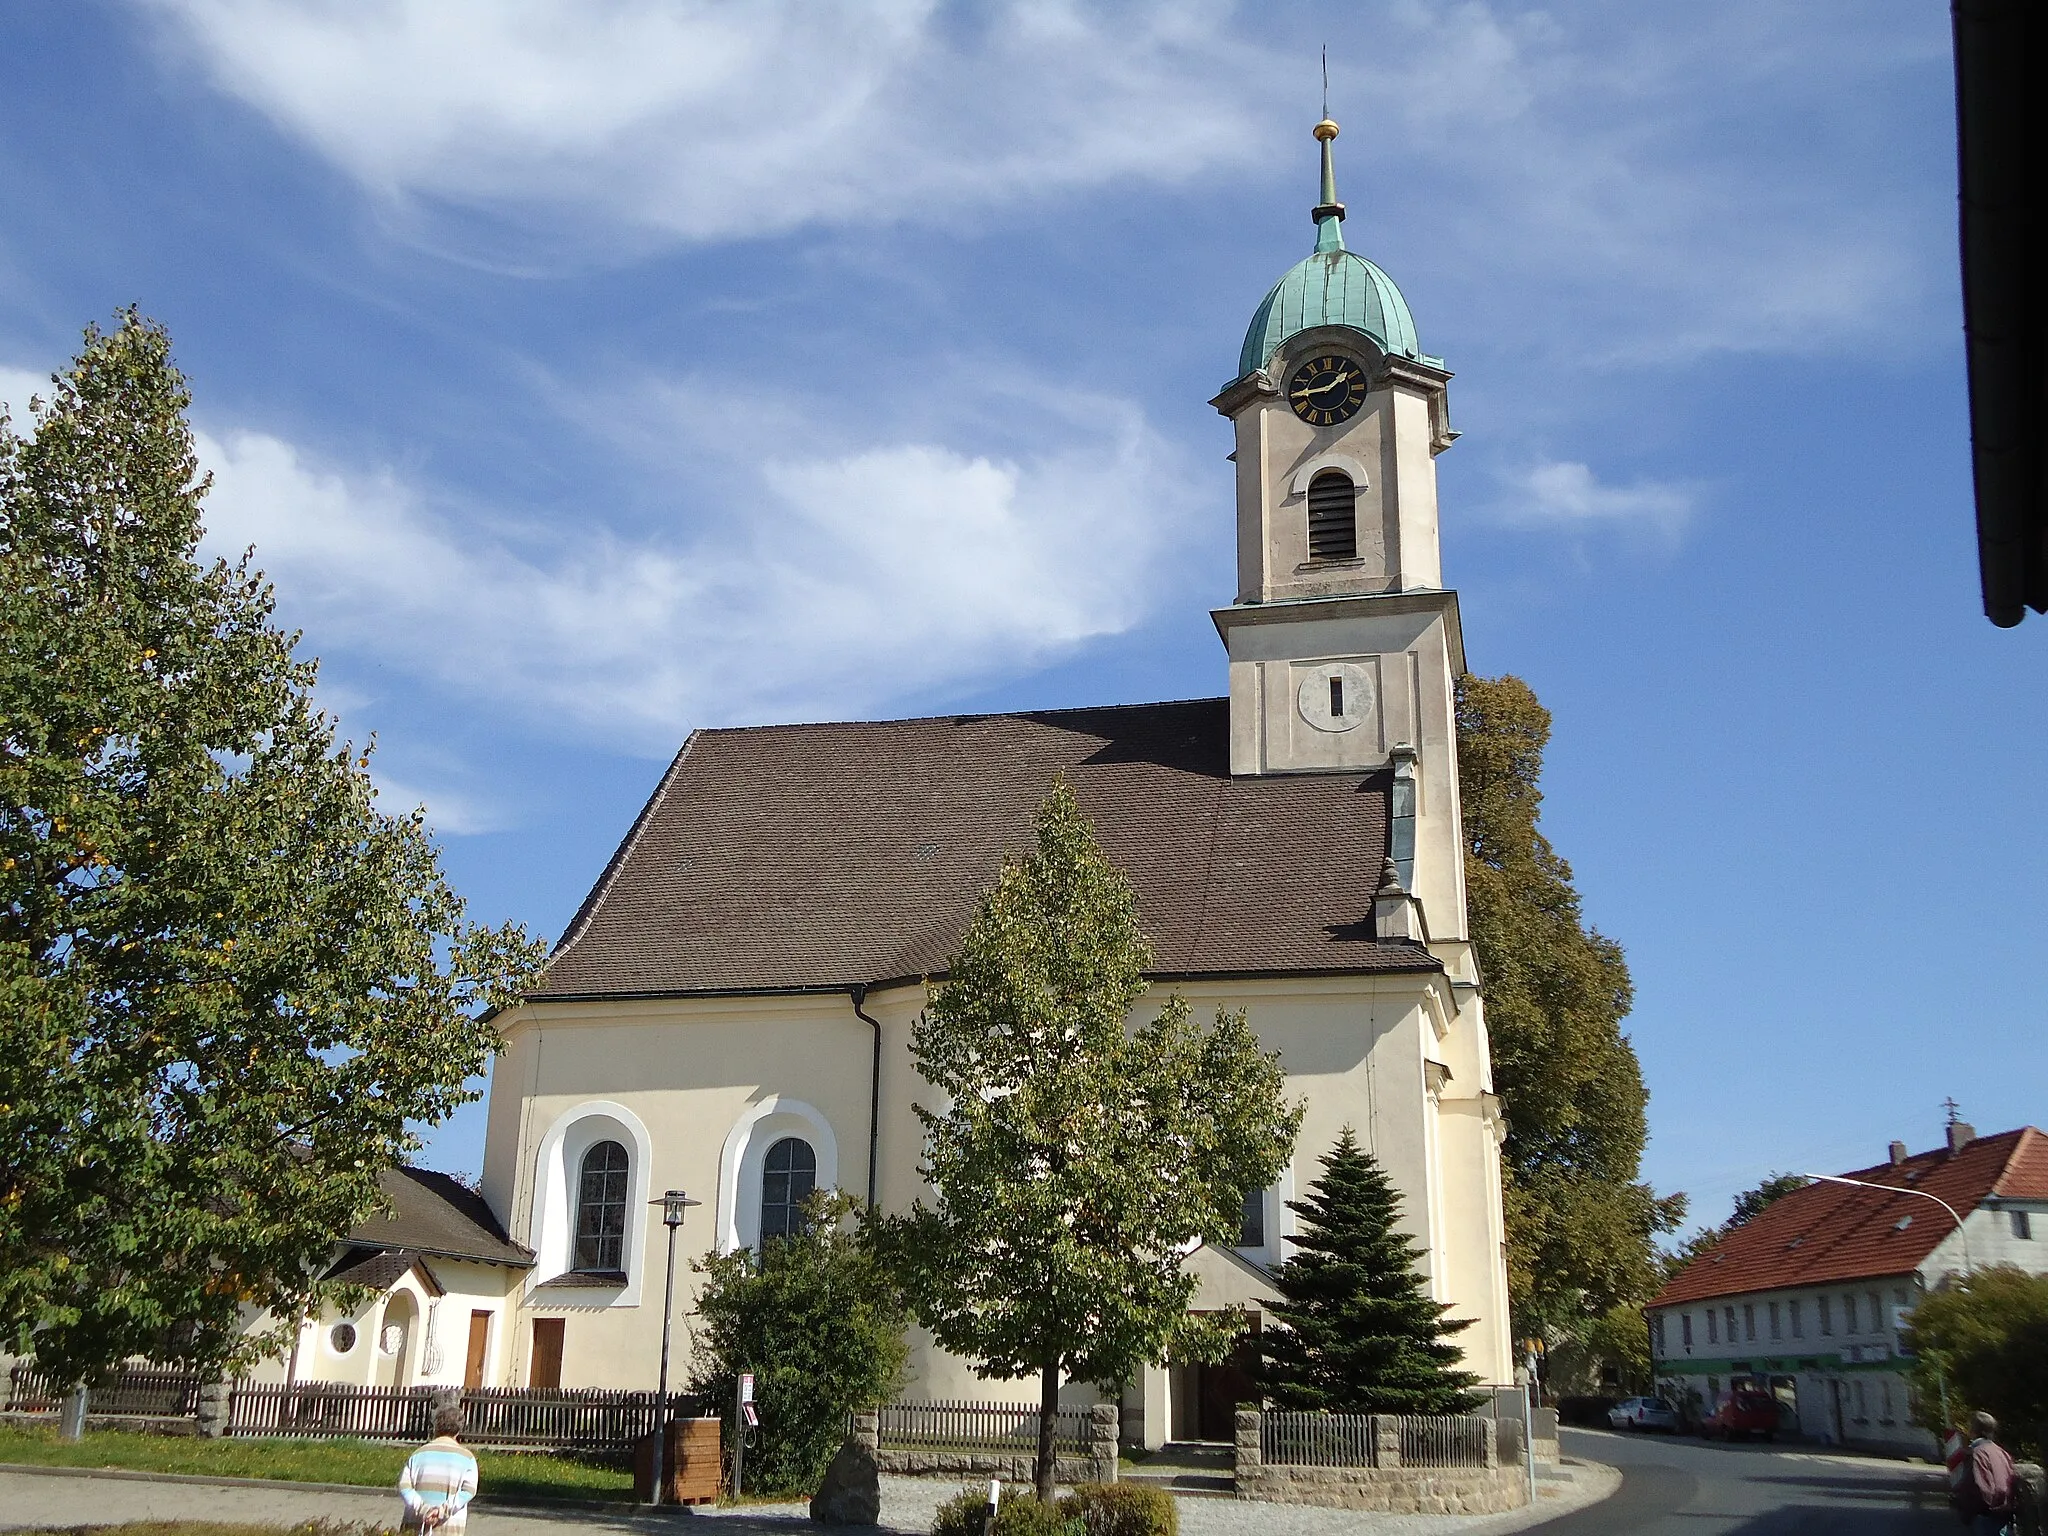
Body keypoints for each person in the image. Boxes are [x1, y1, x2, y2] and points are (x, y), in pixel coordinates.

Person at [399, 1403, 480, 1533]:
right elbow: (468, 1491)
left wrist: (424, 1509)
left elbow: (405, 1487)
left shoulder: (418, 1454)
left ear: (435, 1426)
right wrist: (441, 1511)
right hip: (450, 1526)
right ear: (459, 1429)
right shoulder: (467, 1458)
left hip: (415, 1524)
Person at [1951, 1411, 2016, 1536]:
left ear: (1973, 1430)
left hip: (1985, 1514)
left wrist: (1966, 1513)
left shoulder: (1976, 1453)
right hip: (2004, 1513)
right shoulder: (2001, 1452)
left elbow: (1975, 1486)